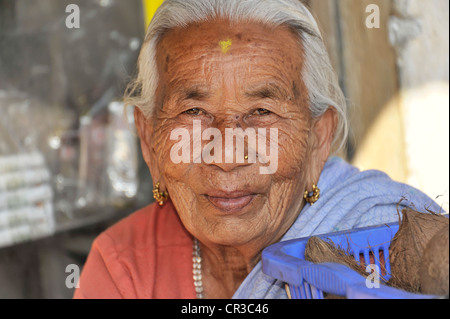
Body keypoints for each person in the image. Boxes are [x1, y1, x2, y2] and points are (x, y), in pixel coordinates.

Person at [73, 0, 443, 299]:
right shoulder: (122, 268)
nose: (228, 156)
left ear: (317, 141)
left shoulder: (387, 239)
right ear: (149, 141)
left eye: (261, 112)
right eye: (194, 112)